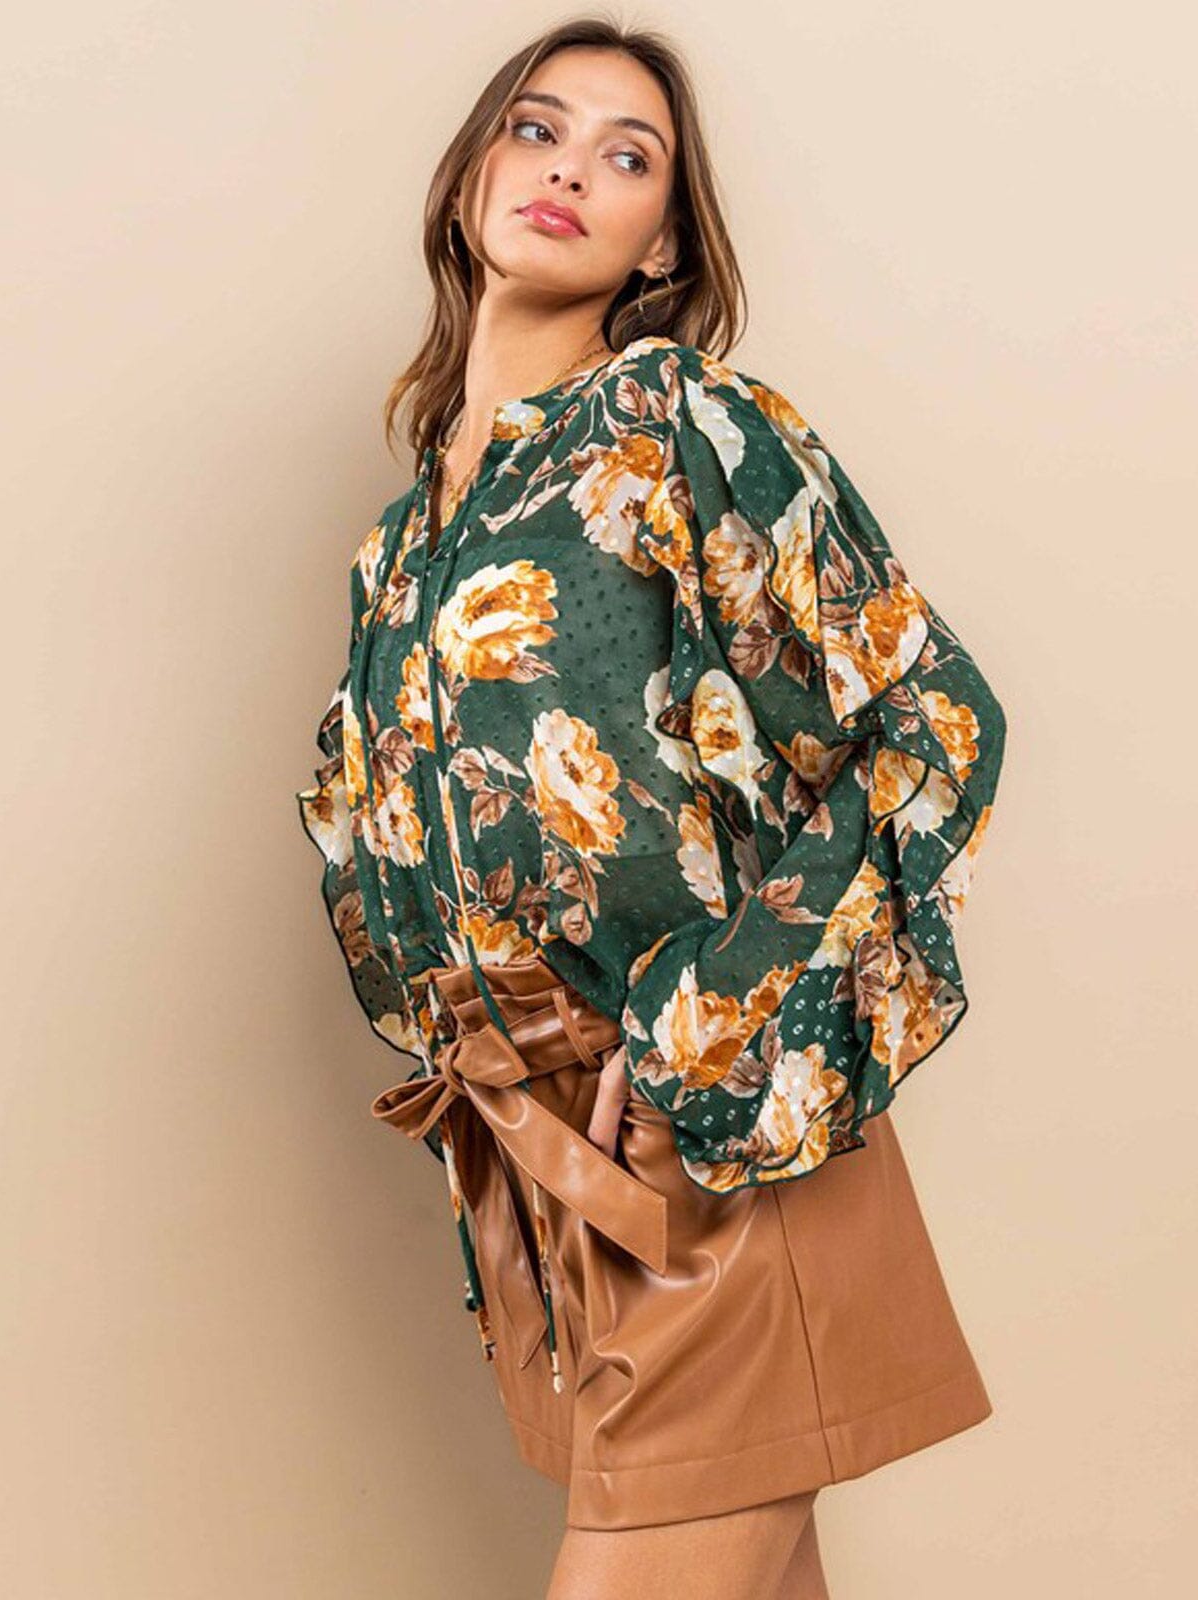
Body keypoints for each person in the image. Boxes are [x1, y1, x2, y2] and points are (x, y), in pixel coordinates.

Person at [295, 18, 1008, 1599]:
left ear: (664, 239)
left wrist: (704, 1023)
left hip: (713, 1152)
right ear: (470, 175)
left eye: (629, 157)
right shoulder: (402, 546)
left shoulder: (675, 420)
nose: (569, 169)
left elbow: (936, 719)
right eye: (536, 129)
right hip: (556, 1184)